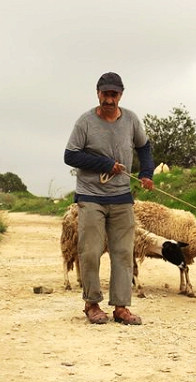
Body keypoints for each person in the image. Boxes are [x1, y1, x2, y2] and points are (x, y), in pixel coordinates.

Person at [64, 72, 155, 325]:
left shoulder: (131, 120)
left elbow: (144, 148)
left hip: (121, 196)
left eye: (114, 94)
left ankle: (121, 307)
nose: (109, 99)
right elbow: (70, 155)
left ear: (121, 95)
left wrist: (146, 173)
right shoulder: (85, 122)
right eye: (106, 94)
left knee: (124, 253)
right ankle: (92, 303)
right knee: (90, 251)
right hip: (90, 195)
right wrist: (104, 163)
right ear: (98, 93)